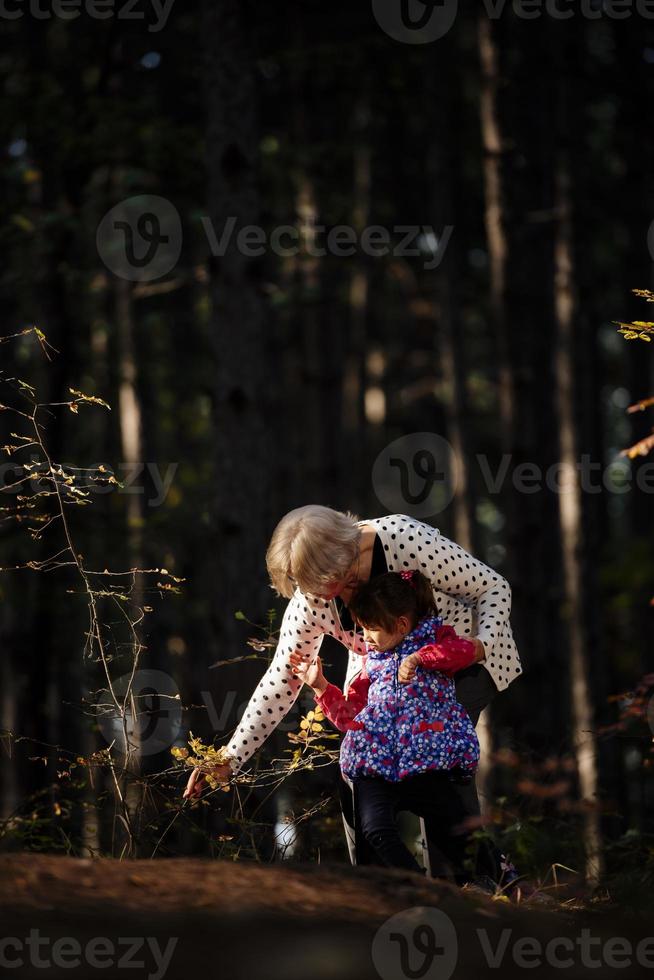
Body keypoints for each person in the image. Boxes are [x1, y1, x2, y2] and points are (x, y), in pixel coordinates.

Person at [183, 506, 522, 877]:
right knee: (360, 779)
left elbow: (492, 586)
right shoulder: (312, 598)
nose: (337, 598)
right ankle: (382, 891)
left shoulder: (404, 540)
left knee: (435, 775)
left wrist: (481, 644)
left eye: (345, 583)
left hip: (456, 661)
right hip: (381, 680)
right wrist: (231, 756)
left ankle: (472, 888)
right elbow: (282, 677)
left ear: (349, 553)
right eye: (321, 590)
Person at [291, 570, 481, 881]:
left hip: (426, 762)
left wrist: (419, 658)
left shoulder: (439, 639)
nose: (363, 637)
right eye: (362, 628)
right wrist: (321, 686)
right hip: (377, 765)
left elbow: (468, 651)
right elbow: (351, 716)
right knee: (376, 829)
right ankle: (420, 886)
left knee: (458, 831)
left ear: (401, 625)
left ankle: (513, 885)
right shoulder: (373, 665)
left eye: (371, 629)